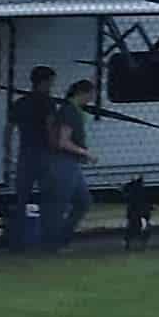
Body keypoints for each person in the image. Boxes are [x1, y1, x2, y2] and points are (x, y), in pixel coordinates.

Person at [40, 79, 98, 249]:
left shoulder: (73, 111)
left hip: (72, 162)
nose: (92, 97)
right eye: (91, 94)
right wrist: (85, 152)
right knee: (60, 204)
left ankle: (63, 237)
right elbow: (63, 142)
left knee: (84, 201)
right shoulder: (69, 112)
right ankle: (52, 243)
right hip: (63, 163)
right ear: (83, 93)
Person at [6, 66, 58, 251]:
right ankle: (46, 237)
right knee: (48, 196)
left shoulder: (20, 103)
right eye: (51, 81)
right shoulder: (47, 103)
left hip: (25, 153)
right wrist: (55, 149)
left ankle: (18, 239)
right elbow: (50, 128)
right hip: (43, 153)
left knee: (22, 197)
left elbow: (9, 128)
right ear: (44, 82)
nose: (52, 85)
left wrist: (8, 152)